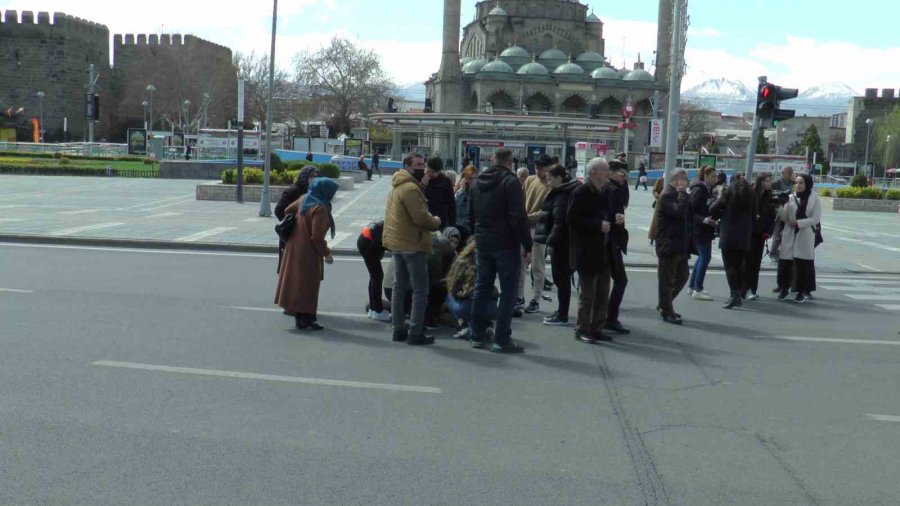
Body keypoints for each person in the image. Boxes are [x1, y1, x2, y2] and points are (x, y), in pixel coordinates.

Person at [468, 148, 531, 353]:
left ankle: (476, 334)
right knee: (508, 292)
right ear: (510, 162)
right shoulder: (511, 182)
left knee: (481, 288)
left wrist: (476, 235)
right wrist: (527, 245)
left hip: (483, 241)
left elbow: (470, 214)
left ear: (492, 160)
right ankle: (502, 339)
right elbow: (518, 217)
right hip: (506, 243)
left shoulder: (477, 182)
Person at [383, 152, 442, 345]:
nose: (422, 168)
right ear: (407, 166)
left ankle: (398, 328)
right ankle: (415, 332)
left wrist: (422, 185)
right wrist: (435, 221)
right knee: (420, 289)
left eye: (423, 164)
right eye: (418, 164)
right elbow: (420, 217)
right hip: (413, 244)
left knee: (399, 287)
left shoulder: (398, 186)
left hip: (399, 243)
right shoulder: (410, 188)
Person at [274, 178, 338, 330]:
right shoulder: (320, 208)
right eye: (332, 192)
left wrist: (299, 222)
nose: (333, 195)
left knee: (298, 283)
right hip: (309, 252)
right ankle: (307, 319)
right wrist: (327, 254)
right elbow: (317, 237)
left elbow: (287, 210)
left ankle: (301, 319)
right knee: (309, 285)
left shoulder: (304, 199)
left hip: (294, 246)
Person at [568, 158, 613, 343]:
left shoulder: (606, 191)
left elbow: (608, 214)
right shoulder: (581, 192)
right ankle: (582, 329)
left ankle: (597, 327)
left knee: (603, 292)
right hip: (587, 250)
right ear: (593, 172)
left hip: (604, 249)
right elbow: (571, 219)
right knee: (588, 294)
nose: (608, 173)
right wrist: (597, 224)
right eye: (605, 170)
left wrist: (615, 219)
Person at [540, 165, 580, 326]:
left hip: (561, 243)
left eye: (550, 179)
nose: (548, 183)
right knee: (563, 279)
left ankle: (562, 314)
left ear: (559, 178)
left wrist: (551, 242)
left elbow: (559, 222)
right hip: (567, 242)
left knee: (561, 279)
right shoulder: (568, 191)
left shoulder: (562, 195)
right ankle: (562, 312)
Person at [710, 177, 755, 309]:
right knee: (739, 265)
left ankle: (734, 294)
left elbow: (712, 209)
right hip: (744, 236)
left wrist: (720, 197)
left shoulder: (728, 194)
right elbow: (754, 216)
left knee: (730, 267)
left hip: (729, 236)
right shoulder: (751, 198)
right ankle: (739, 292)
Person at [776, 174, 821, 303]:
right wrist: (778, 206)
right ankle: (784, 289)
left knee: (802, 265)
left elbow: (815, 219)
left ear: (807, 184)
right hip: (790, 233)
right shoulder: (791, 198)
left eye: (801, 182)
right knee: (785, 263)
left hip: (804, 234)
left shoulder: (814, 198)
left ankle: (801, 292)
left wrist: (799, 223)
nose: (798, 185)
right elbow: (785, 217)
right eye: (796, 182)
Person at [655, 169, 692, 325]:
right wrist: (683, 194)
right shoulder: (667, 195)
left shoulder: (679, 194)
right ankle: (666, 310)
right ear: (675, 179)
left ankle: (665, 303)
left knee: (683, 276)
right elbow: (678, 211)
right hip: (668, 244)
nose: (686, 182)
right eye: (683, 179)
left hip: (680, 244)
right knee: (667, 280)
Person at [446, 239, 498, 339]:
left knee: (449, 297)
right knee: (488, 297)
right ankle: (488, 325)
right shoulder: (489, 264)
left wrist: (462, 294)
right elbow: (495, 292)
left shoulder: (462, 262)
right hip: (490, 309)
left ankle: (463, 324)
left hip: (467, 307)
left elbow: (453, 287)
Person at [521, 154, 552, 314]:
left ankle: (536, 299)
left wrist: (526, 217)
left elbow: (546, 211)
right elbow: (521, 199)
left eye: (541, 168)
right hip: (525, 226)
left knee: (537, 266)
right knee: (521, 264)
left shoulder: (551, 185)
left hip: (539, 228)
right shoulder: (529, 180)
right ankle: (519, 296)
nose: (538, 171)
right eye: (536, 168)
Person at [275, 166, 318, 276]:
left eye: (316, 176)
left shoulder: (311, 192)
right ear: (304, 177)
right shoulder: (293, 191)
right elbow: (279, 210)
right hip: (291, 234)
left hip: (305, 235)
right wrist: (292, 222)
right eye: (311, 176)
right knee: (289, 269)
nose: (314, 179)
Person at [605, 162, 631, 334]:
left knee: (614, 280)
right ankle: (610, 318)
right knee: (619, 280)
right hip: (610, 241)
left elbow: (623, 203)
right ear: (611, 173)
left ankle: (607, 317)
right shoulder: (610, 190)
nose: (624, 177)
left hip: (614, 240)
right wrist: (615, 219)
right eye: (621, 174)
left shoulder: (617, 188)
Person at [688, 165, 718, 301]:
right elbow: (691, 211)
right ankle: (697, 289)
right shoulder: (699, 190)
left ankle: (692, 286)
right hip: (700, 229)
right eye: (713, 176)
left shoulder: (707, 189)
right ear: (705, 176)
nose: (715, 179)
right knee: (705, 257)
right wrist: (704, 219)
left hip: (704, 228)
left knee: (702, 257)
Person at [744, 173, 776, 300]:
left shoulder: (769, 196)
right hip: (751, 233)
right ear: (760, 181)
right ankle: (744, 289)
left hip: (762, 234)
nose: (768, 183)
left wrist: (769, 231)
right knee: (748, 262)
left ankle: (752, 289)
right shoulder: (753, 195)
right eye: (766, 181)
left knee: (756, 263)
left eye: (769, 181)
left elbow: (772, 216)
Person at [357, 220, 391, 322]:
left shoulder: (391, 221)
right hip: (369, 242)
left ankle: (373, 309)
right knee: (377, 277)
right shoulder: (396, 227)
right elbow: (391, 245)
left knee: (374, 276)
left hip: (364, 239)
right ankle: (377, 311)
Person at [769, 166, 795, 291]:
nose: (789, 174)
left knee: (785, 236)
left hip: (790, 213)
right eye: (787, 173)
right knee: (777, 234)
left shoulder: (794, 184)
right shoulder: (776, 183)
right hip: (779, 211)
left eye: (790, 173)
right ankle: (774, 252)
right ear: (782, 173)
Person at [424, 157, 455, 231]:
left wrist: (452, 225)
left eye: (434, 172)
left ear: (440, 171)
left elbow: (451, 204)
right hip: (425, 219)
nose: (431, 174)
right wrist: (423, 184)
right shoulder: (422, 179)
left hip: (440, 221)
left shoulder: (445, 181)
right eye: (429, 171)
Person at [454, 165, 478, 238]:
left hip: (473, 227)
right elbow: (455, 207)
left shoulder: (479, 192)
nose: (471, 181)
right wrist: (462, 190)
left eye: (473, 178)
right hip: (460, 226)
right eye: (469, 178)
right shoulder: (460, 192)